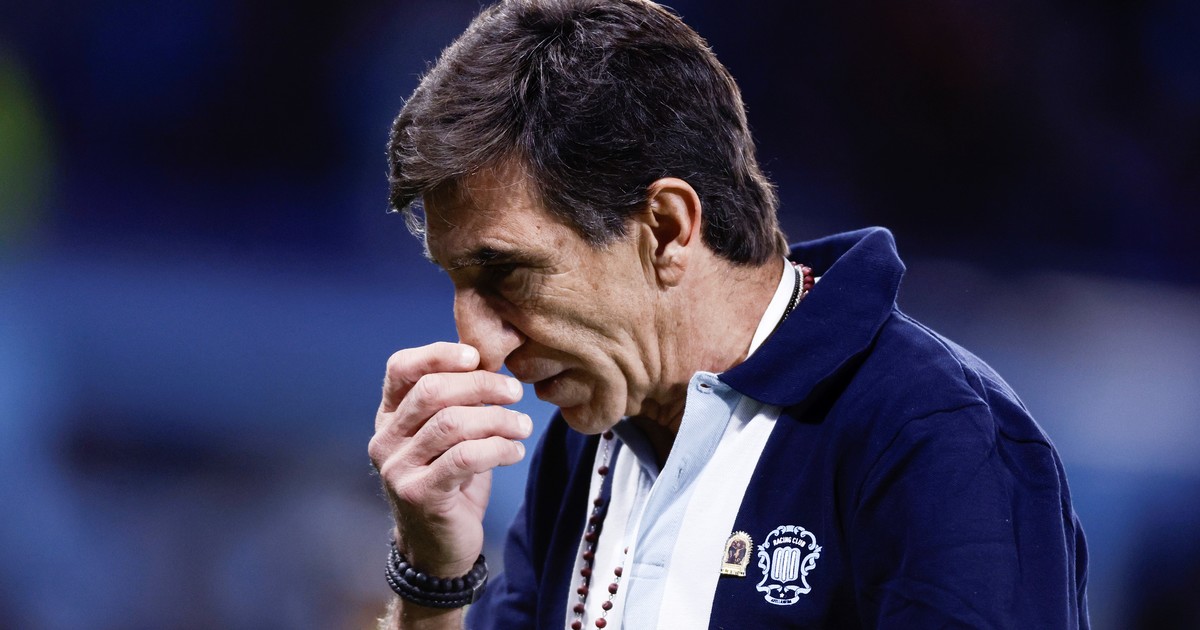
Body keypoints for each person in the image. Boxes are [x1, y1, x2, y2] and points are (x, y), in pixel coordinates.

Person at [368, 0, 1090, 628]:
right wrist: (433, 576)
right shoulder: (584, 446)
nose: (478, 341)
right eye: (456, 282)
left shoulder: (930, 435)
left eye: (505, 272)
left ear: (667, 229)